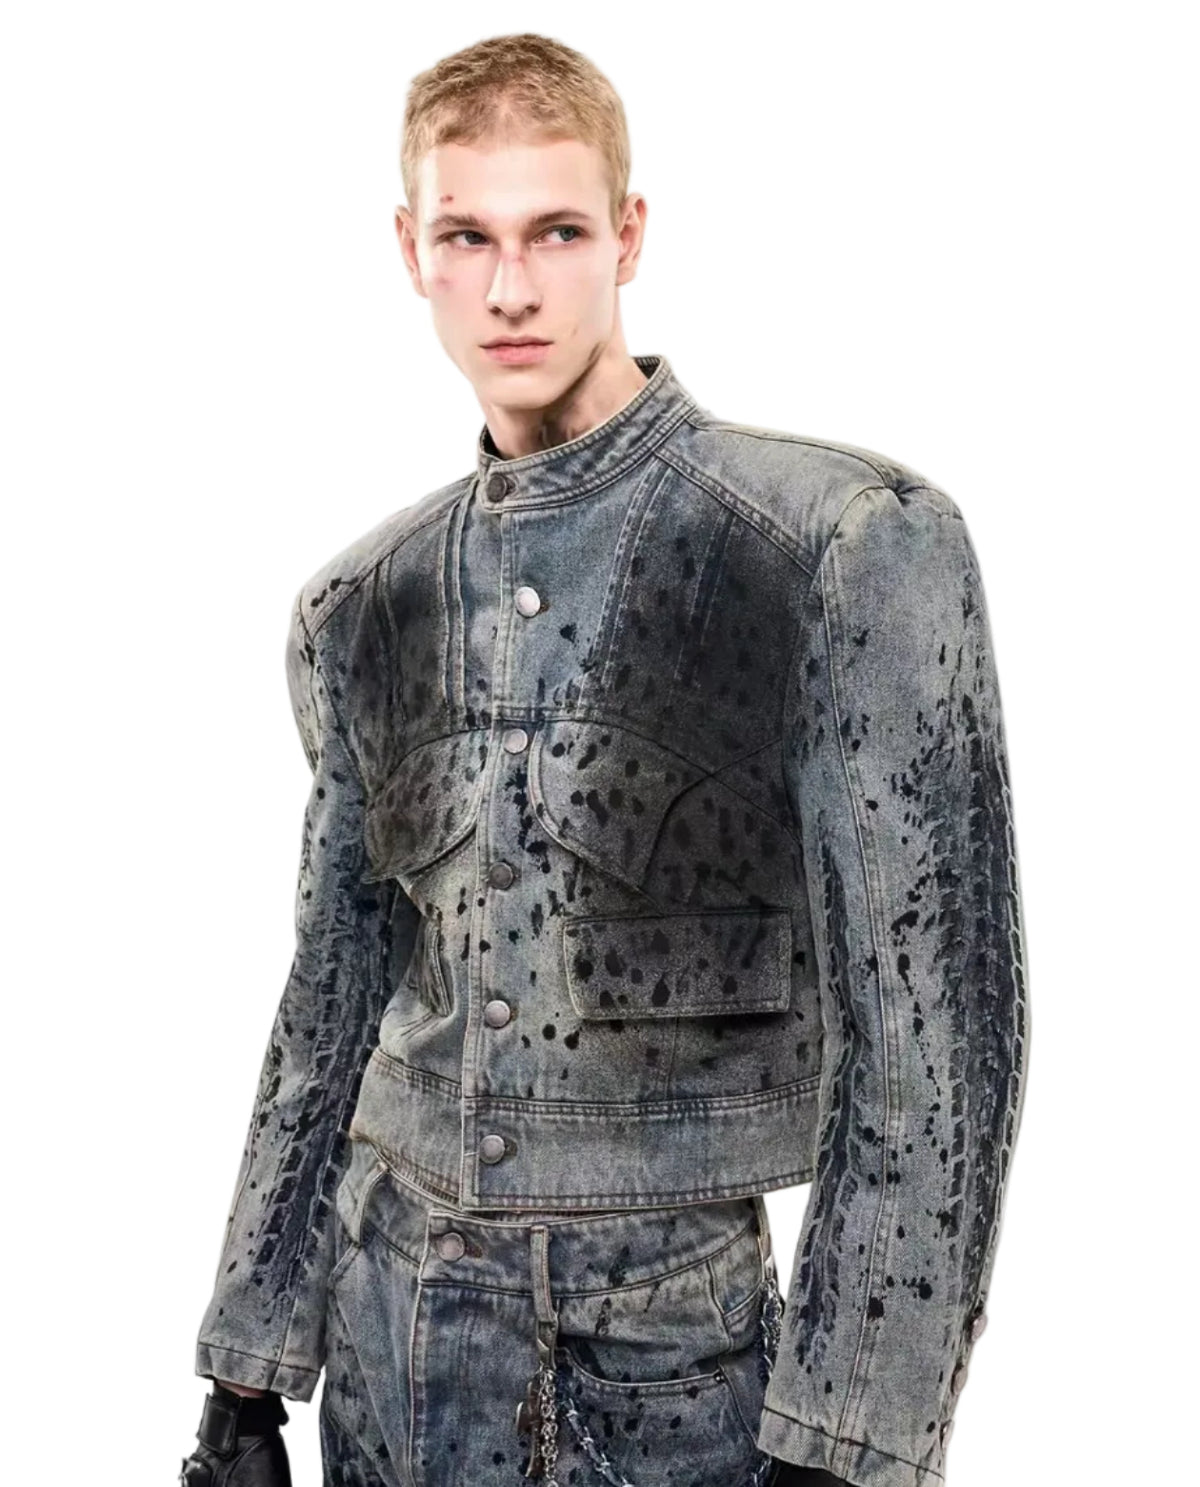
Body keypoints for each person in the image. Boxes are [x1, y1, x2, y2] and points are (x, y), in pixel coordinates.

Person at [181, 31, 1029, 1487]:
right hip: (384, 1352)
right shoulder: (361, 606)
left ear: (628, 236)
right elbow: (330, 1009)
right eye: (469, 236)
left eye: (557, 232)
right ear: (412, 251)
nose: (512, 288)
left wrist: (849, 1442)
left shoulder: (829, 549)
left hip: (666, 1375)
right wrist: (244, 1385)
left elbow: (935, 1043)